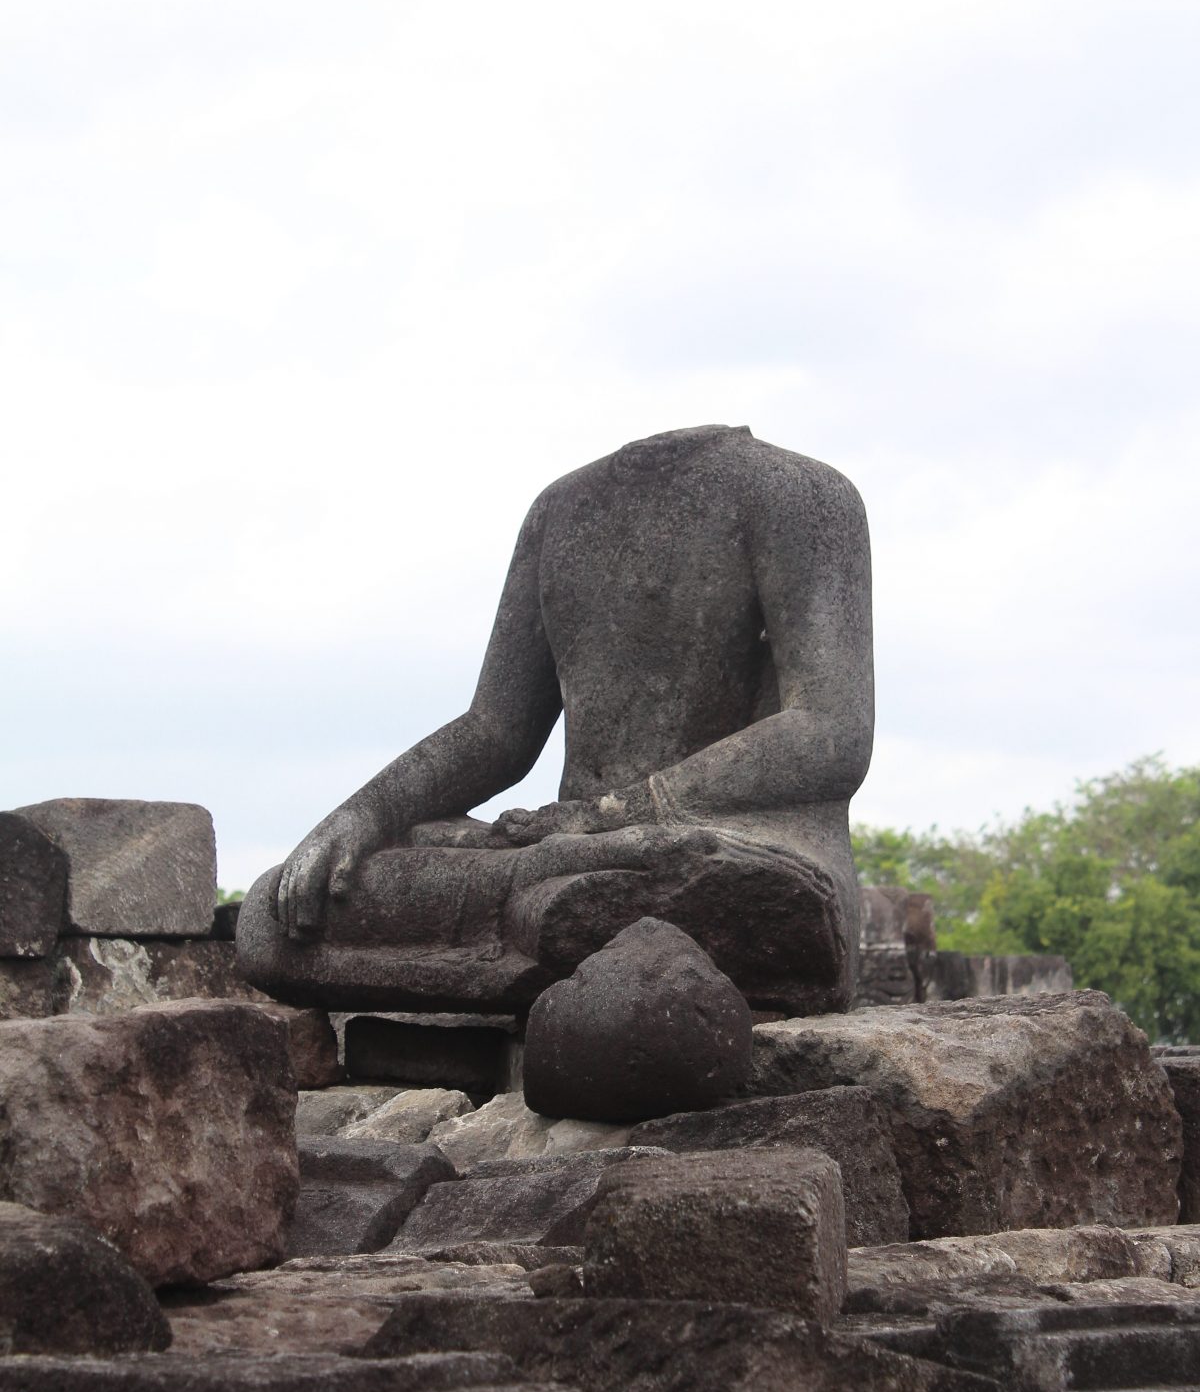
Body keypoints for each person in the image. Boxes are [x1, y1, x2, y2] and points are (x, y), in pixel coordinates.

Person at [237, 424, 873, 1015]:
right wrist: (365, 815)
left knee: (608, 894)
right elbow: (496, 729)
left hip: (723, 853)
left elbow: (828, 731)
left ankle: (557, 953)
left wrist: (613, 814)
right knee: (275, 916)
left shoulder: (799, 494)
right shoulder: (561, 510)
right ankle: (560, 962)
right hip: (564, 858)